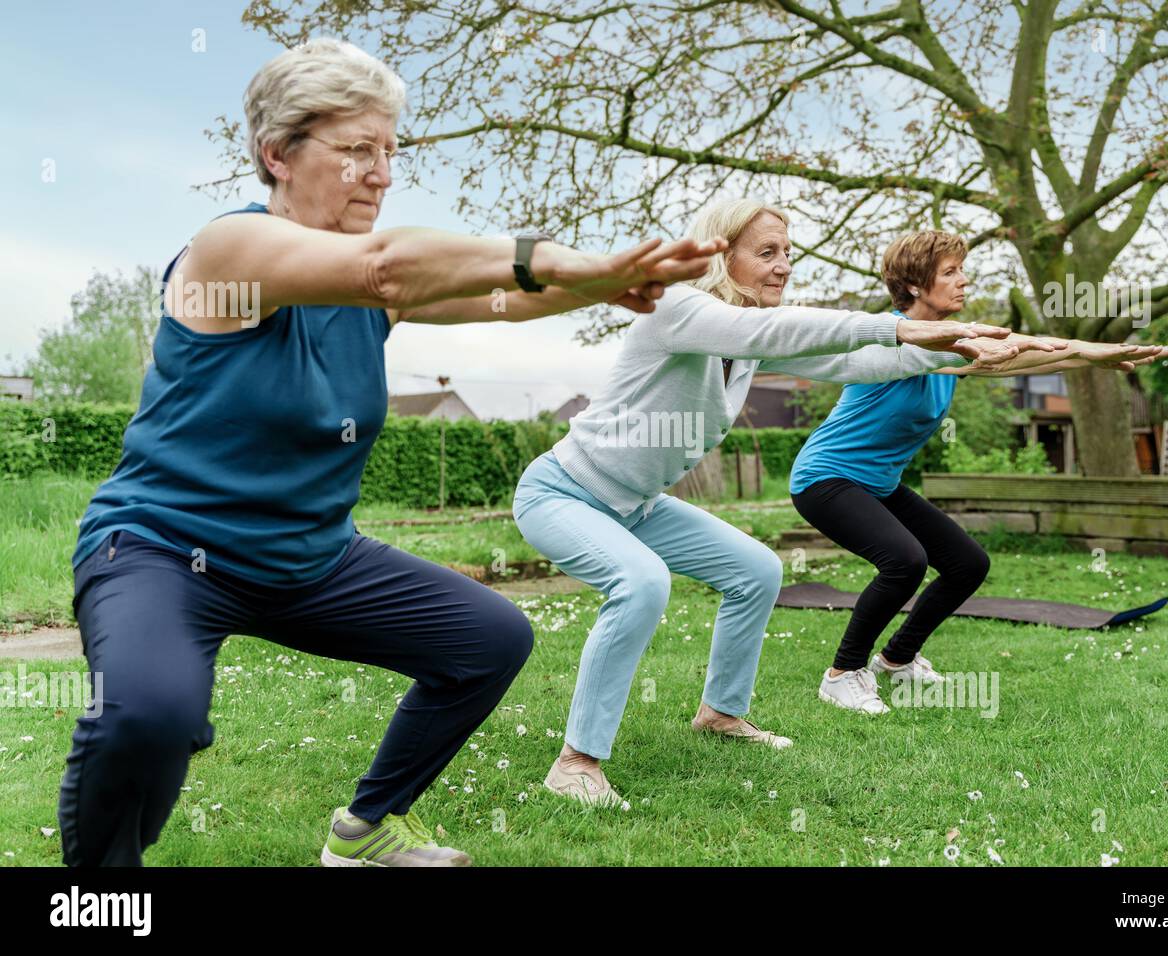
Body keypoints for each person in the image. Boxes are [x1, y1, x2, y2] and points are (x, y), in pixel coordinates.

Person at [59, 37, 726, 868]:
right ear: (277, 153)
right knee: (148, 716)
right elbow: (386, 269)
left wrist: (605, 281)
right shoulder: (227, 253)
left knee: (488, 639)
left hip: (309, 560)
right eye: (356, 152)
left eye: (389, 153)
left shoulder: (372, 294)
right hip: (165, 549)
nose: (381, 173)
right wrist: (566, 259)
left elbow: (496, 299)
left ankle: (368, 827)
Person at [508, 199, 1062, 807]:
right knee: (641, 582)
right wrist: (901, 324)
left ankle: (720, 713)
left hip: (635, 503)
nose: (783, 266)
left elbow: (854, 359)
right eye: (766, 252)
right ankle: (575, 762)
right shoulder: (678, 306)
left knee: (757, 570)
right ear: (720, 253)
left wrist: (961, 347)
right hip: (563, 492)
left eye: (787, 253)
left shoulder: (740, 342)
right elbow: (781, 329)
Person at [792, 230, 1168, 714]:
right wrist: (1087, 350)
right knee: (905, 561)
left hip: (878, 484)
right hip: (826, 478)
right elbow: (999, 341)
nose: (964, 281)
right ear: (916, 286)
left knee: (967, 564)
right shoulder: (891, 340)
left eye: (962, 269)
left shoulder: (952, 350)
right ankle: (842, 674)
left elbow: (1014, 356)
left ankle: (897, 661)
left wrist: (1100, 356)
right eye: (950, 272)